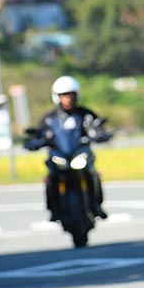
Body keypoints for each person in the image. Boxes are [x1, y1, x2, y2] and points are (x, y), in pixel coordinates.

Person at [30, 75, 109, 222]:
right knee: (51, 178)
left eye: (71, 95)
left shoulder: (85, 114)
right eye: (64, 95)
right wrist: (34, 142)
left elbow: (96, 126)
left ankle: (96, 205)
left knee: (93, 174)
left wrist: (101, 134)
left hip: (80, 153)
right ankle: (54, 209)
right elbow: (39, 134)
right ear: (57, 97)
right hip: (59, 155)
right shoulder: (49, 118)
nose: (68, 99)